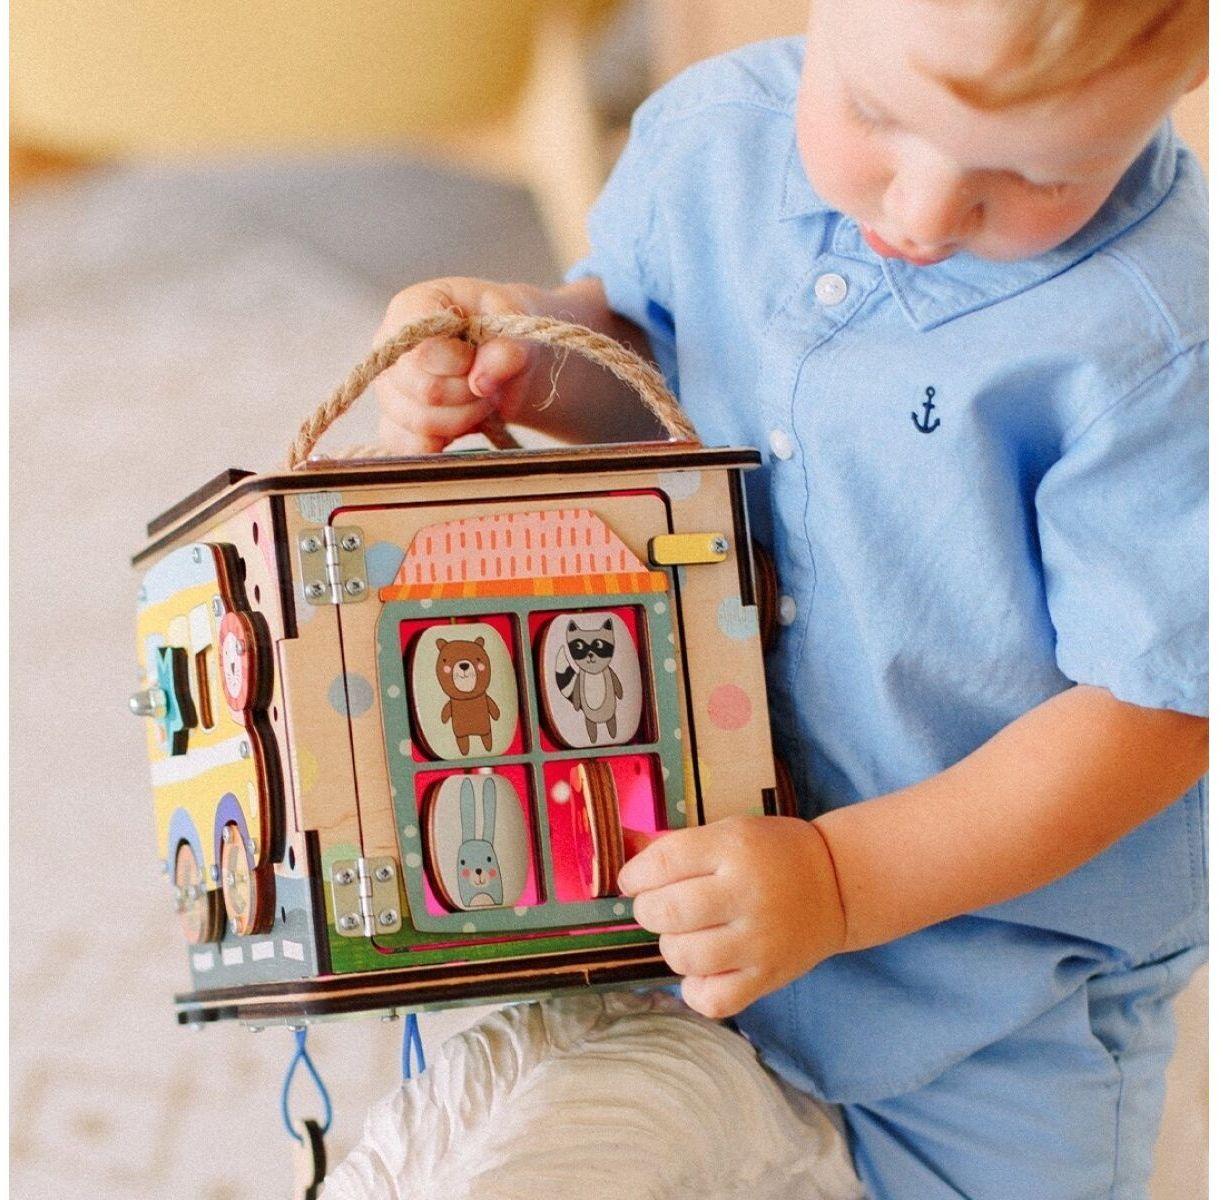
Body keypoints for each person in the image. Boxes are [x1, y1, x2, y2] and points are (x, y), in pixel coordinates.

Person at [372, 2, 1208, 1194]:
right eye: (873, 113)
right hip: (689, 881)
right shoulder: (714, 135)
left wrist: (838, 882)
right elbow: (650, 371)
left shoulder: (1162, 333)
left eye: (1037, 175)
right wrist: (524, 361)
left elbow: (1152, 714)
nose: (923, 212)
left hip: (992, 989)